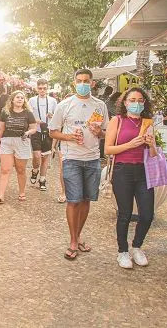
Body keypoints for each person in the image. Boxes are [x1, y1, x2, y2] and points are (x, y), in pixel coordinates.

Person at [49, 69, 109, 260]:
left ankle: (79, 235)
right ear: (74, 83)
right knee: (73, 200)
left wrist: (99, 132)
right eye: (79, 80)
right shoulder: (64, 105)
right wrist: (69, 137)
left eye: (86, 81)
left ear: (92, 83)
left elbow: (107, 133)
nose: (83, 83)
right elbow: (52, 132)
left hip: (92, 158)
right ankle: (73, 240)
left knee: (86, 200)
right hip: (71, 158)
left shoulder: (100, 106)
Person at [105, 87, 157, 269]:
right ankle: (123, 251)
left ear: (145, 103)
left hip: (143, 172)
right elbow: (108, 149)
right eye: (132, 100)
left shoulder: (147, 122)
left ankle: (137, 246)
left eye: (140, 100)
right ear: (125, 103)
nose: (136, 103)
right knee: (125, 214)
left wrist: (151, 145)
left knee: (147, 214)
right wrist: (129, 144)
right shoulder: (117, 121)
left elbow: (153, 154)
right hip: (122, 171)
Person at [0, 90, 39, 204]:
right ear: (12, 99)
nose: (20, 99)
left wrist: (27, 133)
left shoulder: (28, 113)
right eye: (17, 97)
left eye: (22, 98)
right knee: (5, 169)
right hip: (7, 141)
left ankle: (22, 192)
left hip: (22, 142)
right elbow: (1, 128)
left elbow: (34, 128)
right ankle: (0, 196)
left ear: (24, 101)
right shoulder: (5, 112)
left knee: (20, 170)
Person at [28, 78, 57, 191]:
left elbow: (57, 117)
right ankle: (35, 170)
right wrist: (35, 119)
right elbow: (28, 115)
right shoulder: (32, 100)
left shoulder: (53, 101)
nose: (42, 90)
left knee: (45, 157)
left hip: (48, 132)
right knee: (36, 156)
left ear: (47, 88)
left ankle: (42, 179)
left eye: (44, 88)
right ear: (37, 88)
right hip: (36, 131)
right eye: (40, 88)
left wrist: (52, 116)